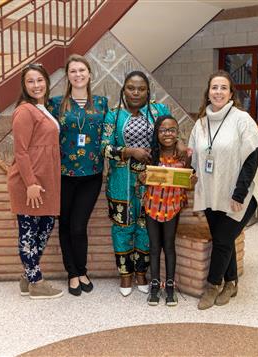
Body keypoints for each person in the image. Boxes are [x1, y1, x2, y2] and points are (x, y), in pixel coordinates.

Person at [188, 70, 258, 310]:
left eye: (223, 88)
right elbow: (195, 159)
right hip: (213, 192)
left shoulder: (242, 119)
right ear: (208, 92)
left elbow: (253, 158)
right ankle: (231, 282)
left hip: (242, 192)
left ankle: (212, 286)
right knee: (226, 239)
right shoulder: (200, 124)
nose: (218, 92)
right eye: (214, 87)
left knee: (222, 239)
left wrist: (238, 194)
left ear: (231, 93)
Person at [101, 71, 180, 297]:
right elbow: (104, 147)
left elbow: (171, 134)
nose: (136, 93)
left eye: (141, 88)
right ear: (123, 90)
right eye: (130, 88)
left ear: (148, 91)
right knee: (123, 227)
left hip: (154, 183)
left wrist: (181, 145)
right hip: (120, 182)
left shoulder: (159, 111)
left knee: (147, 228)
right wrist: (128, 151)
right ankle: (125, 276)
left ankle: (142, 273)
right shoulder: (113, 116)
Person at [48, 55, 108, 296]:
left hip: (92, 175)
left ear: (90, 74)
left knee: (78, 226)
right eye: (73, 71)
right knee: (64, 225)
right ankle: (72, 273)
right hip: (63, 175)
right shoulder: (55, 104)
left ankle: (82, 270)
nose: (78, 74)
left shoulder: (102, 103)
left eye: (82, 70)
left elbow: (109, 135)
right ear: (68, 76)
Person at [7, 63, 63, 299]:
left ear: (46, 83)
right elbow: (20, 151)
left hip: (46, 181)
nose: (36, 85)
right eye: (30, 81)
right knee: (29, 232)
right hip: (30, 182)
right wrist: (30, 183)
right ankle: (37, 282)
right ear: (24, 85)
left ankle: (27, 276)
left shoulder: (43, 108)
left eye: (40, 80)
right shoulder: (24, 111)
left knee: (44, 229)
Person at [139, 115, 197, 307]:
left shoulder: (185, 154)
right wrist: (142, 177)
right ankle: (155, 285)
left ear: (177, 132)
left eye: (172, 130)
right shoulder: (150, 154)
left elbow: (188, 180)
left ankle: (170, 286)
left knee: (169, 246)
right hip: (152, 206)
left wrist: (191, 181)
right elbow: (142, 176)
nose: (167, 134)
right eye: (163, 130)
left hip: (172, 206)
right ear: (157, 133)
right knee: (154, 247)